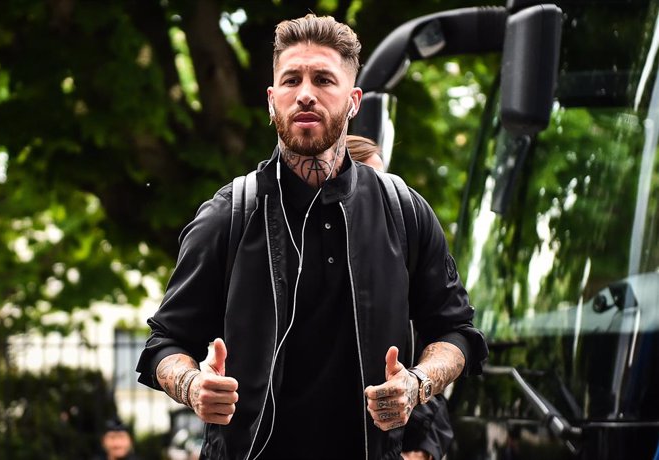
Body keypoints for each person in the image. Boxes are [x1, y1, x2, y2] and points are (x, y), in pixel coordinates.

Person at [136, 13, 488, 460]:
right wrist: (192, 385)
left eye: (324, 79)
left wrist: (417, 384)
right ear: (271, 100)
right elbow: (164, 342)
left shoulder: (404, 210)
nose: (304, 93)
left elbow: (456, 331)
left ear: (354, 100)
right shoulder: (228, 214)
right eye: (290, 80)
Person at [346, 133, 454, 460]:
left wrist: (422, 450)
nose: (383, 197)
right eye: (371, 184)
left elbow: (439, 352)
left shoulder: (403, 271)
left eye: (386, 183)